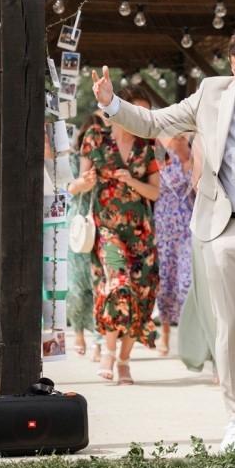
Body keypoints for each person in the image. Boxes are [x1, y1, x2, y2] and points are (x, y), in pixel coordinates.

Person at [91, 28, 235, 459]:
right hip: (224, 226)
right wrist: (111, 103)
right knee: (230, 325)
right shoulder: (212, 94)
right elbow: (154, 122)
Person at [77, 88, 160, 385]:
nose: (141, 119)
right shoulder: (96, 140)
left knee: (140, 295)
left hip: (141, 233)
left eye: (145, 114)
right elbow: (80, 184)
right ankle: (108, 353)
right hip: (108, 230)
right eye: (136, 112)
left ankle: (124, 362)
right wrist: (83, 183)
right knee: (118, 283)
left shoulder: (147, 147)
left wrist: (132, 182)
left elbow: (155, 192)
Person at [153, 132, 194, 355]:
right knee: (165, 282)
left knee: (186, 282)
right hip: (164, 226)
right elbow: (166, 180)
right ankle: (166, 333)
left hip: (189, 226)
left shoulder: (197, 151)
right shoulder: (161, 151)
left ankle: (188, 333)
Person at [65, 122, 100, 360]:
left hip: (103, 224)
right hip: (77, 223)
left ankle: (99, 341)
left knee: (101, 287)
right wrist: (79, 185)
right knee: (76, 287)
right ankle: (78, 331)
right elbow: (62, 190)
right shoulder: (70, 160)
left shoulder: (111, 160)